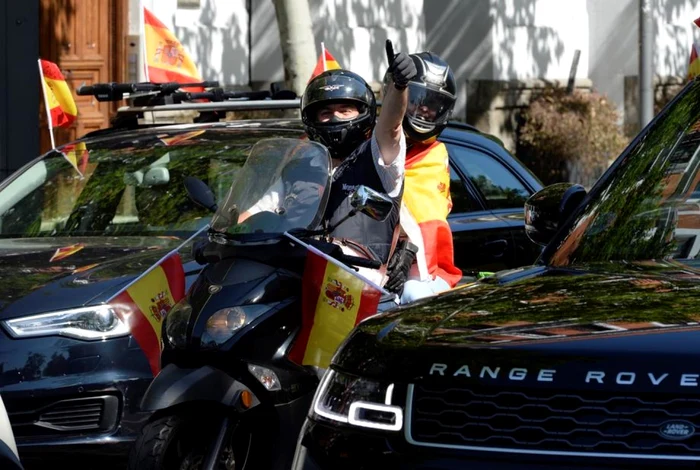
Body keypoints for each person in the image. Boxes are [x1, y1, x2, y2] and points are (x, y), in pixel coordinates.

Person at [299, 47, 417, 267]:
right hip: (299, 276)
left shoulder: (379, 161)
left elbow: (390, 127)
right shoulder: (298, 167)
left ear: (363, 113)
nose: (335, 117)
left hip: (362, 284)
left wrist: (399, 86)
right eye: (325, 113)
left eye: (345, 110)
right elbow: (255, 213)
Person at [382, 51, 463, 304]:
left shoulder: (435, 154)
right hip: (367, 263)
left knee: (412, 296)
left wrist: (408, 254)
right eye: (418, 100)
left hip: (427, 272)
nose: (425, 110)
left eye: (435, 105)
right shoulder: (369, 144)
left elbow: (426, 220)